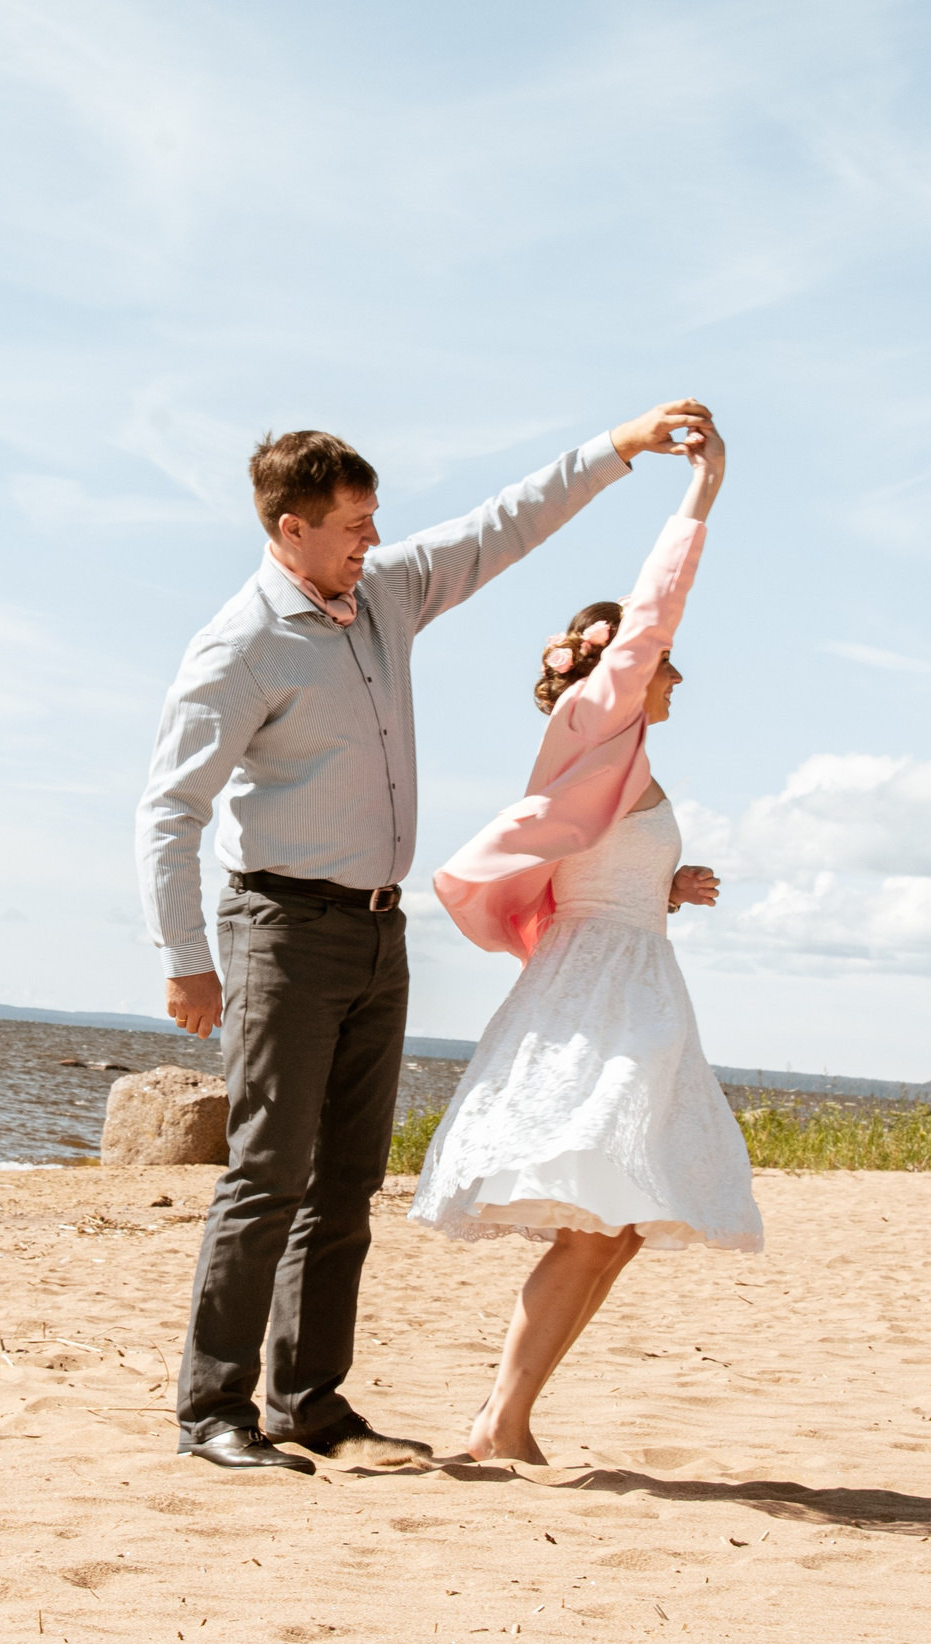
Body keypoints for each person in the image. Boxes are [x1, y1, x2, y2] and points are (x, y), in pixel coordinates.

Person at [138, 400, 715, 1473]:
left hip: (372, 927)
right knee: (267, 1172)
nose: (369, 540)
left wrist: (618, 452)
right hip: (276, 926)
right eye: (350, 525)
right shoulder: (240, 646)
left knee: (348, 1181)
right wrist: (186, 957)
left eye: (370, 521)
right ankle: (210, 1410)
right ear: (287, 529)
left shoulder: (388, 592)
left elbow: (504, 524)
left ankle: (309, 1400)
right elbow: (170, 809)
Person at [412, 419, 762, 1465]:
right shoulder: (595, 718)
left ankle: (504, 1423)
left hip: (634, 979)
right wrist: (702, 494)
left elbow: (589, 866)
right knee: (596, 1219)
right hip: (595, 1000)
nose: (671, 679)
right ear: (619, 664)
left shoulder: (622, 762)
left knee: (617, 1228)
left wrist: (668, 885)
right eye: (657, 665)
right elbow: (656, 608)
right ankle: (498, 1421)